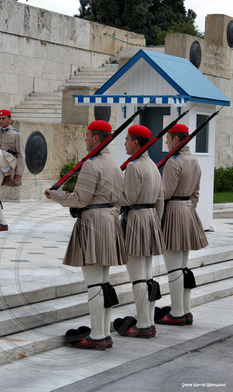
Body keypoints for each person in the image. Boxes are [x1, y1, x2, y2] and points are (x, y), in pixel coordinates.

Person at [44, 120, 127, 350]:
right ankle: (103, 332)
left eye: (88, 135)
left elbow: (81, 198)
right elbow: (120, 199)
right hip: (110, 221)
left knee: (94, 284)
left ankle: (98, 336)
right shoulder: (114, 163)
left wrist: (57, 195)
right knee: (103, 282)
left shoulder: (92, 164)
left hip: (93, 223)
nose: (85, 139)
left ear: (97, 139)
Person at [114, 125, 164, 339]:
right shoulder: (153, 164)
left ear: (136, 143)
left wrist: (112, 199)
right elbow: (160, 198)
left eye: (127, 140)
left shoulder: (134, 167)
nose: (125, 143)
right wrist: (155, 222)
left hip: (135, 220)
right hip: (151, 218)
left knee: (137, 278)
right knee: (147, 275)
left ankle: (143, 325)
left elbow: (128, 198)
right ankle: (149, 320)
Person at [156, 124, 208, 326]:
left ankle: (177, 312)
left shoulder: (173, 162)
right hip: (188, 211)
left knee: (174, 267)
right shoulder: (194, 161)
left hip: (175, 212)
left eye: (168, 139)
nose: (166, 143)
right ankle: (186, 311)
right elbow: (195, 192)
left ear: (177, 140)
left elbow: (165, 193)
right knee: (183, 266)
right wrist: (187, 208)